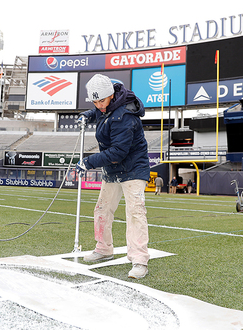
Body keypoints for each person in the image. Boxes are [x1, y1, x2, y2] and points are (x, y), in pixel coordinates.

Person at [76, 74, 150, 279]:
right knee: (102, 208)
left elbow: (118, 152)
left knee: (135, 212)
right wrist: (88, 115)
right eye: (95, 101)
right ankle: (104, 248)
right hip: (113, 169)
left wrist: (88, 162)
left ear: (111, 95)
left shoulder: (125, 116)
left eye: (102, 100)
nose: (99, 105)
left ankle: (139, 260)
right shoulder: (106, 105)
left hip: (133, 168)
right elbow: (101, 111)